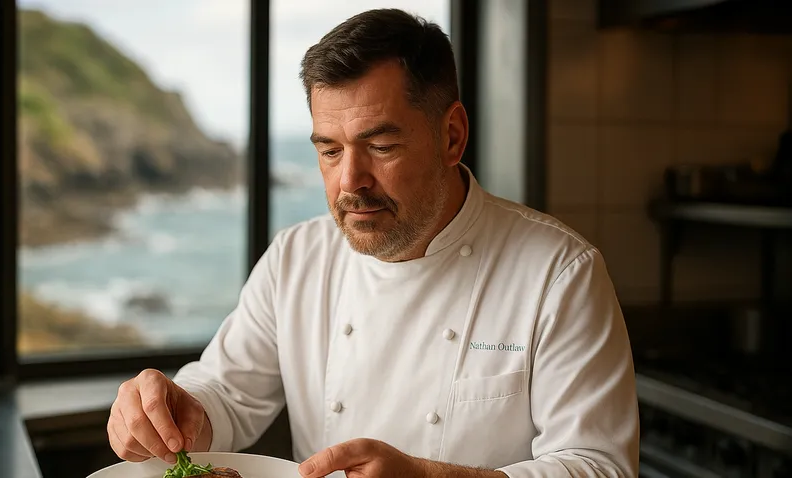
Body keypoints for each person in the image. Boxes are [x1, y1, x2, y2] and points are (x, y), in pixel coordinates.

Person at [107, 8, 640, 478]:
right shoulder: (296, 258)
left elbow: (598, 465)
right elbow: (225, 394)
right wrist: (176, 410)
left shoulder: (558, 272)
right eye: (330, 151)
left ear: (451, 136)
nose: (349, 183)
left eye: (380, 146)